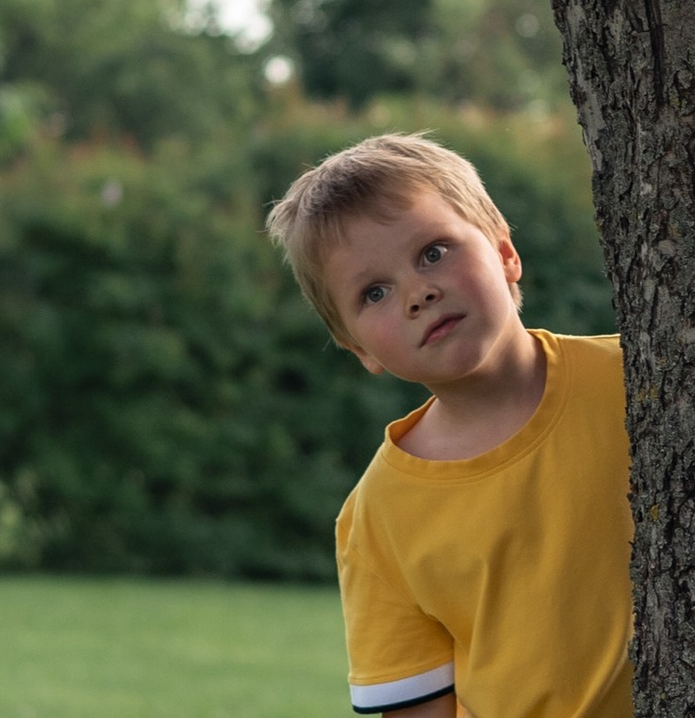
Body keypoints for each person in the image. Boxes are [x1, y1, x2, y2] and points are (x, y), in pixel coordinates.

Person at [266, 133, 631, 718]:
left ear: (504, 251)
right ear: (357, 347)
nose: (418, 293)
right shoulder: (378, 516)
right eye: (375, 292)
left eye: (434, 252)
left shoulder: (638, 381)